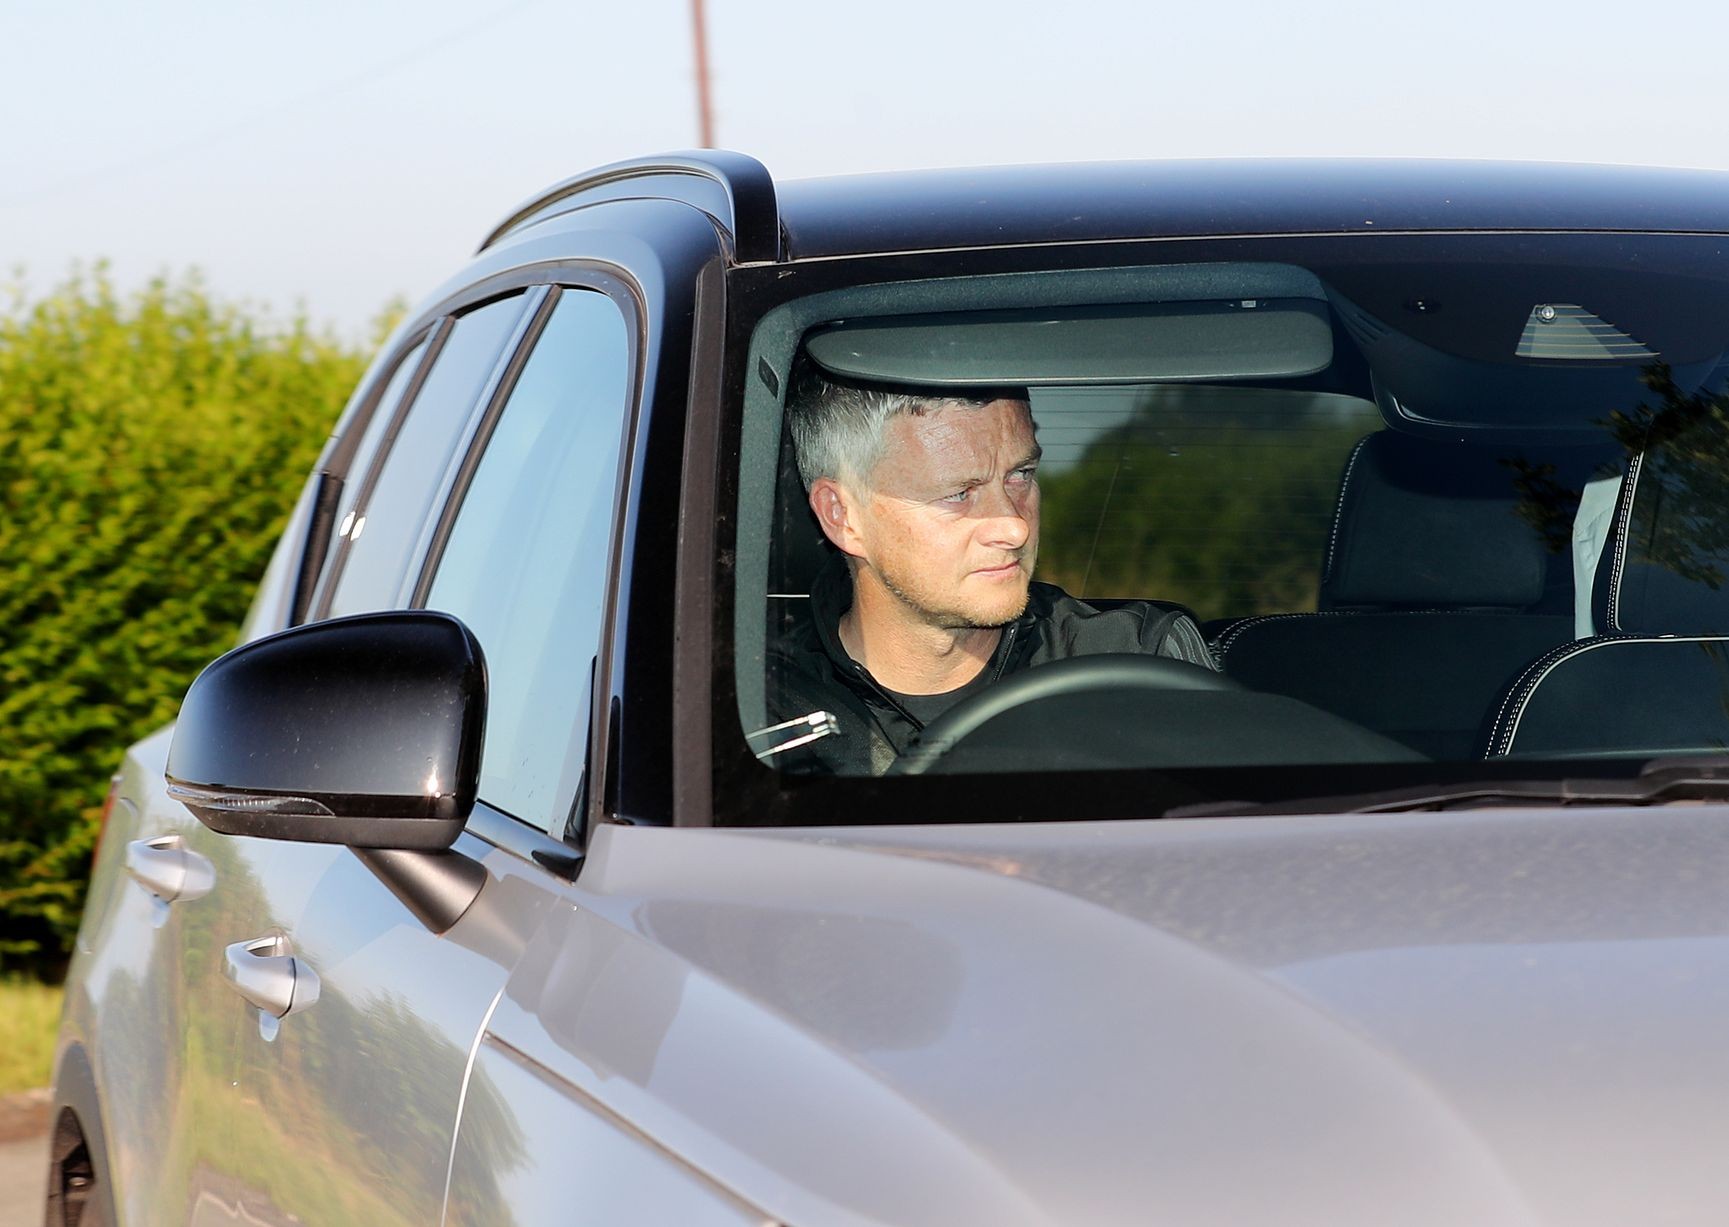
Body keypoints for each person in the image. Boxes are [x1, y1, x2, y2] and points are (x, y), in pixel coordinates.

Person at [765, 363, 1217, 775]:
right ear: (842, 515)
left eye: (1020, 475)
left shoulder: (1136, 660)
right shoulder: (766, 708)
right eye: (959, 493)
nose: (1015, 527)